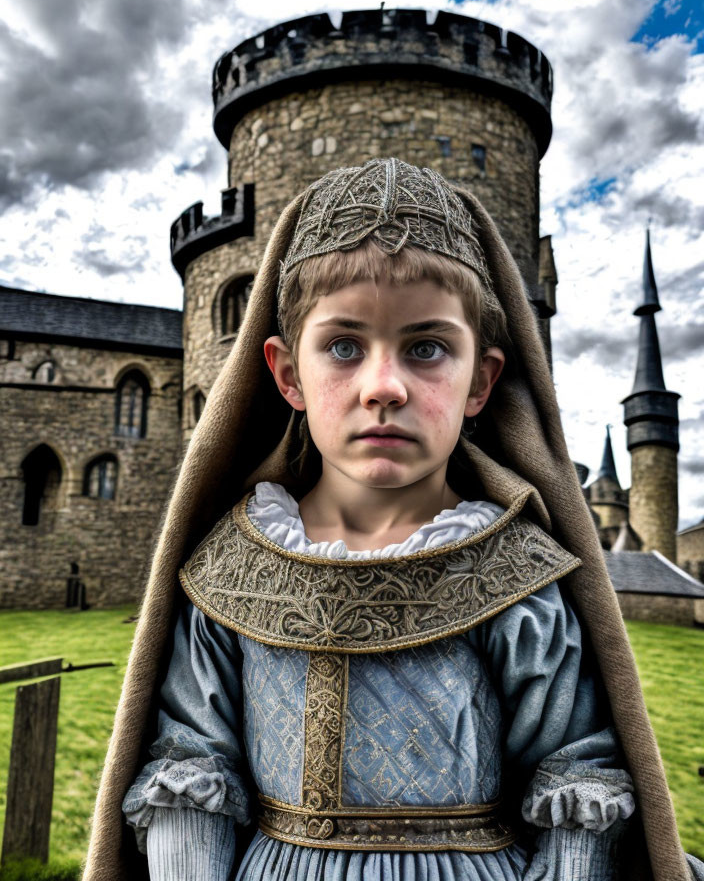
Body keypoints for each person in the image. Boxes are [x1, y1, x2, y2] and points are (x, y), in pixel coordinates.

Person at [83, 159, 702, 881]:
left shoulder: (518, 579)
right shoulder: (228, 573)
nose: (385, 386)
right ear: (287, 375)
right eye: (344, 346)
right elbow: (191, 771)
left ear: (482, 381)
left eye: (427, 348)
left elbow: (575, 780)